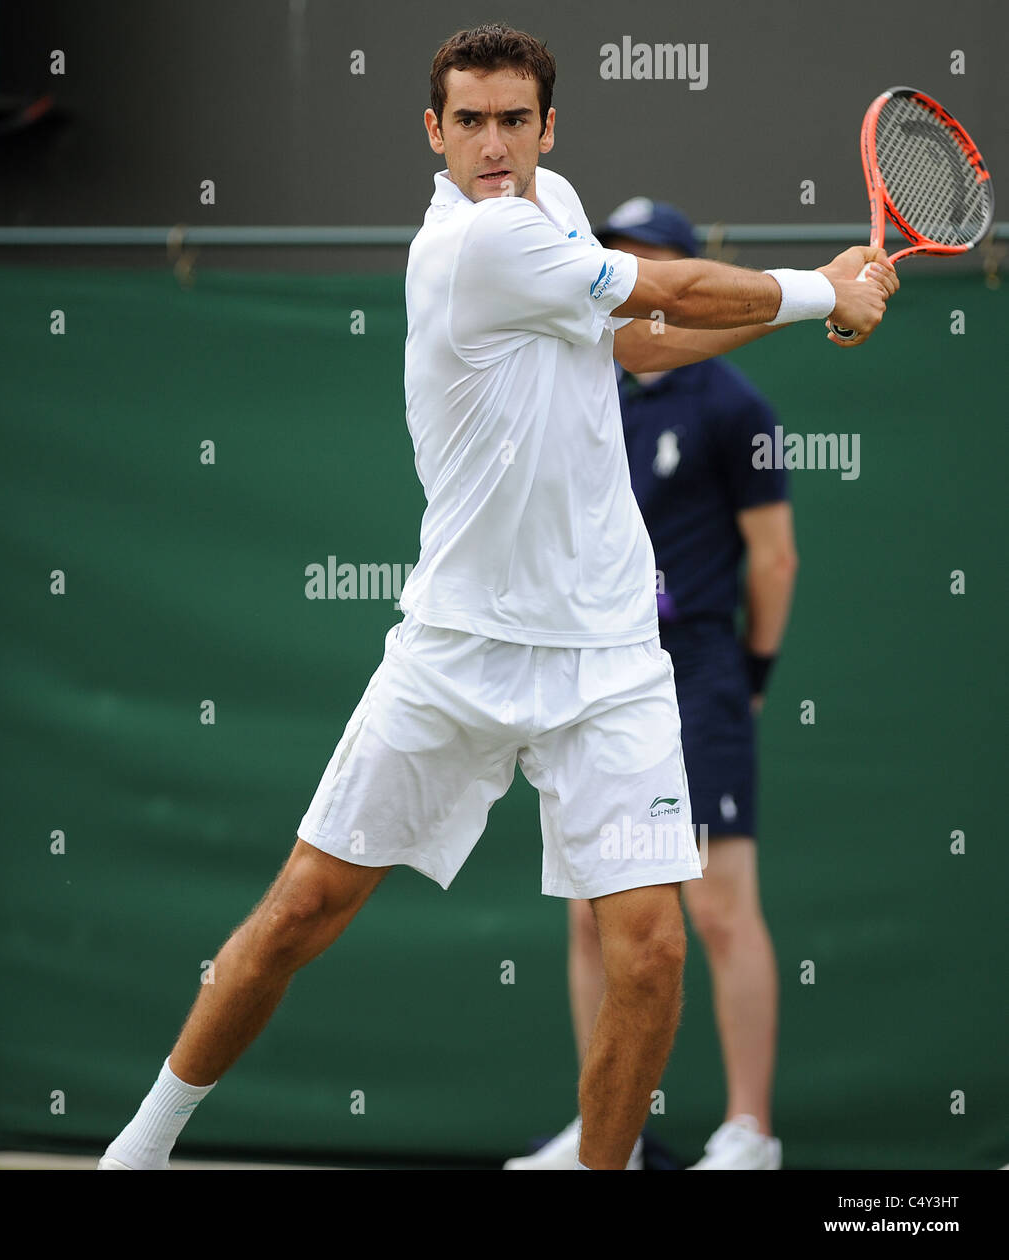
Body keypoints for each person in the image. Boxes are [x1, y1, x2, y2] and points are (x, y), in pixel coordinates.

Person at [99, 23, 895, 1171]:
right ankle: (141, 1147)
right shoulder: (475, 246)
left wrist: (808, 308)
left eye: (512, 120)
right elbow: (667, 281)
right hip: (458, 646)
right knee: (300, 914)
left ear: (547, 126)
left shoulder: (554, 205)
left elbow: (638, 338)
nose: (491, 143)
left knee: (650, 952)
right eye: (466, 121)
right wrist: (817, 289)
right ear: (432, 132)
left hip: (609, 654)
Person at [505, 198, 795, 1171]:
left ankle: (747, 1132)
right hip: (592, 668)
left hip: (696, 669)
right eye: (615, 260)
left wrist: (750, 672)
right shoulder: (584, 385)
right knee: (592, 910)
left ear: (685, 277)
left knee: (715, 903)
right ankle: (609, 1138)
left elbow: (774, 557)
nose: (631, 278)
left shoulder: (734, 406)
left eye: (650, 263)